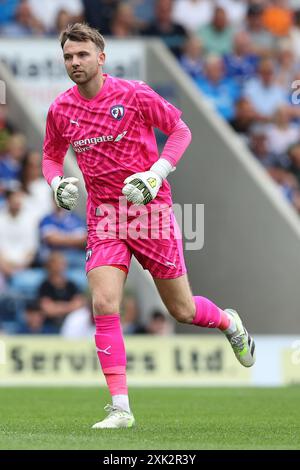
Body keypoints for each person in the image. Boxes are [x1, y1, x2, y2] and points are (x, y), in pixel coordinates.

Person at [42, 23, 256, 429]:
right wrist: (58, 184)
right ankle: (120, 408)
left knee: (183, 310)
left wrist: (156, 173)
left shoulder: (134, 93)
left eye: (82, 55)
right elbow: (51, 157)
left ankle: (230, 323)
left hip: (150, 212)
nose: (74, 62)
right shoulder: (60, 109)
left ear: (101, 58)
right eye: (68, 56)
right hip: (105, 216)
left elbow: (180, 129)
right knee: (104, 303)